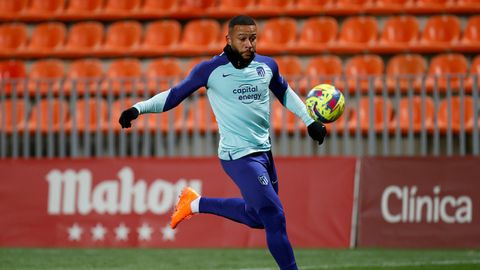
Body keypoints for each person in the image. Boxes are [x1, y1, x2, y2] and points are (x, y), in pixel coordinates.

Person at [119, 15, 326, 270]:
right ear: (229, 39)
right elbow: (173, 96)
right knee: (275, 216)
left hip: (264, 153)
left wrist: (309, 120)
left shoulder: (267, 66)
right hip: (237, 156)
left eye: (253, 38)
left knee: (257, 217)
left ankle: (195, 203)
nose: (249, 44)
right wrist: (137, 109)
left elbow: (285, 92)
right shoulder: (211, 70)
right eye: (243, 39)